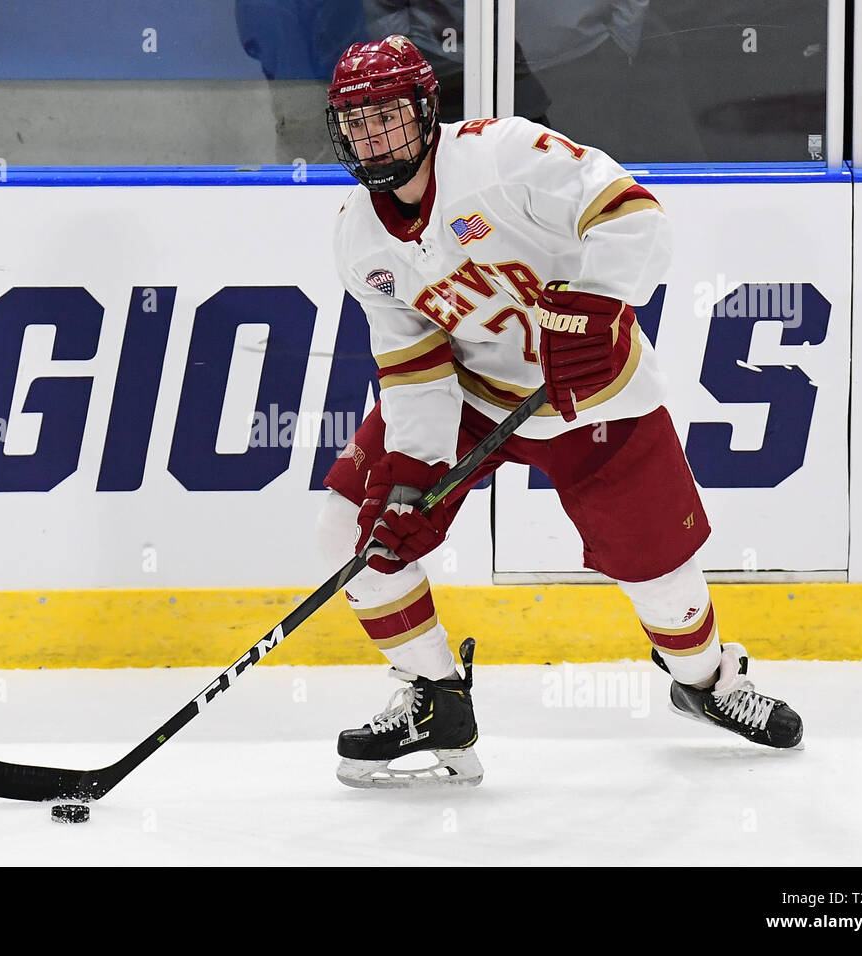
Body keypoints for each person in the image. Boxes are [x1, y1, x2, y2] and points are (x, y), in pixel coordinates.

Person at [319, 35, 803, 789]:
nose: (373, 136)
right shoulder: (359, 236)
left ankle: (707, 683)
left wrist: (594, 302)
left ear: (425, 112)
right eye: (356, 123)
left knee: (665, 579)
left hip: (593, 397)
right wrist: (412, 471)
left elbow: (636, 217)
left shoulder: (502, 157)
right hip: (473, 401)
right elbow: (413, 368)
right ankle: (435, 699)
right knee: (356, 527)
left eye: (387, 116)